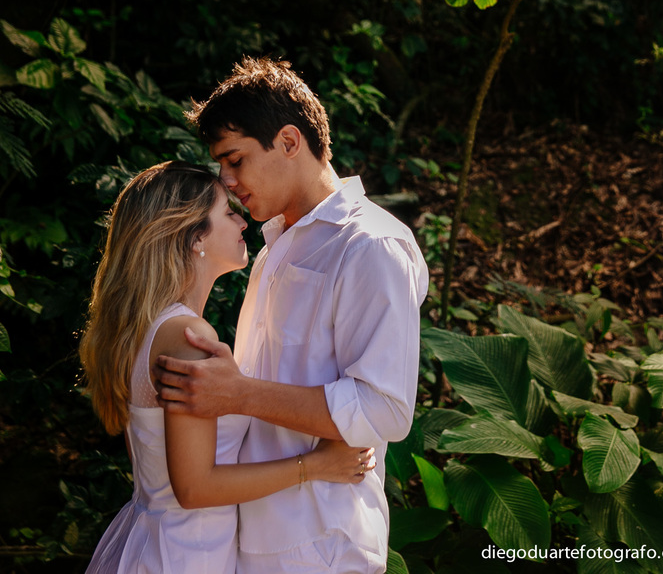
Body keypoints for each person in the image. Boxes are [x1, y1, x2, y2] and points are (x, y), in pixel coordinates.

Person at [155, 58, 429, 573]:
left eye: (234, 160)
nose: (227, 181)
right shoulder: (272, 247)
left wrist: (237, 393)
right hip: (248, 530)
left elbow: (385, 410)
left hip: (322, 540)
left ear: (287, 141)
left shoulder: (370, 246)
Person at [79, 161, 375, 574]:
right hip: (184, 554)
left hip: (158, 538)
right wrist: (318, 466)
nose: (243, 221)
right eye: (227, 211)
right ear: (194, 236)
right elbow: (194, 488)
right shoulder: (187, 337)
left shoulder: (151, 327)